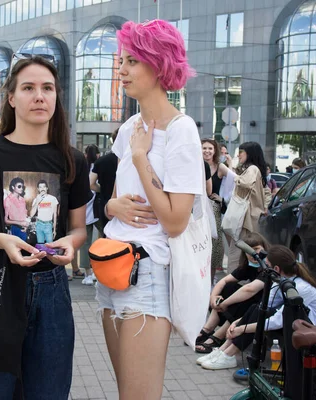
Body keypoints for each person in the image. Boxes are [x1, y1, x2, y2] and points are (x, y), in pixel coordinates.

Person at [0, 55, 92, 399]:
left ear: (57, 97)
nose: (39, 96)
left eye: (47, 88)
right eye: (28, 88)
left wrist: (71, 245)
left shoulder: (72, 159)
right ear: (11, 98)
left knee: (49, 392)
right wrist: (3, 241)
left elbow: (77, 228)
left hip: (51, 289)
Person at [97, 20, 201, 399]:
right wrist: (112, 206)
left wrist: (142, 157)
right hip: (112, 268)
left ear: (158, 65)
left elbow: (175, 221)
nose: (121, 70)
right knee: (126, 390)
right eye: (121, 60)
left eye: (132, 61)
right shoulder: (128, 128)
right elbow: (111, 200)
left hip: (148, 276)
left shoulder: (181, 130)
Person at [198, 245, 316, 370]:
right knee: (257, 308)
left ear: (276, 269)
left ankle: (229, 354)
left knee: (263, 315)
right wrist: (237, 322)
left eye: (267, 266)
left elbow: (277, 321)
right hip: (294, 322)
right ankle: (223, 351)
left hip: (311, 328)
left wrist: (242, 329)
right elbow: (263, 307)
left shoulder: (300, 288)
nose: (264, 270)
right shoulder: (281, 281)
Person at [194, 232, 269, 353]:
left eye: (256, 249)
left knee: (244, 299)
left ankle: (219, 336)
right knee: (229, 286)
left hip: (264, 307)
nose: (252, 254)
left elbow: (250, 289)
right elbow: (224, 280)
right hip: (252, 304)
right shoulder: (249, 265)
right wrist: (213, 297)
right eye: (248, 251)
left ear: (264, 248)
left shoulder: (268, 266)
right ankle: (208, 328)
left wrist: (225, 303)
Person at [224, 141, 269, 273]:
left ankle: (232, 281)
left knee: (237, 250)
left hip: (245, 217)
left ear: (249, 153)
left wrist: (233, 175)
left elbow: (246, 183)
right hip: (247, 217)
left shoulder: (252, 169)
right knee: (243, 251)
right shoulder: (253, 169)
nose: (239, 155)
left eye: (241, 152)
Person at [202, 139, 234, 281]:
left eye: (210, 148)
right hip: (195, 208)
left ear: (214, 151)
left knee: (214, 245)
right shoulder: (193, 164)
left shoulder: (219, 167)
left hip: (213, 209)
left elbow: (235, 181)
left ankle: (210, 281)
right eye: (204, 148)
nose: (207, 151)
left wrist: (223, 199)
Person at [76, 144, 100, 285]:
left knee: (85, 243)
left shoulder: (81, 167)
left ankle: (87, 273)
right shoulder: (98, 166)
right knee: (104, 238)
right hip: (97, 206)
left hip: (83, 206)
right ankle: (100, 270)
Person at [91, 129, 118, 229]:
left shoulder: (101, 161)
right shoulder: (131, 160)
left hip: (105, 203)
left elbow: (90, 183)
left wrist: (102, 189)